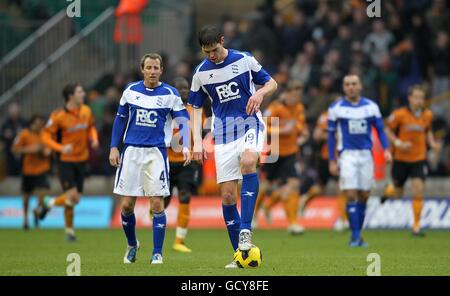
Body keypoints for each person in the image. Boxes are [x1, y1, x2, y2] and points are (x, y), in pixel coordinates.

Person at [188, 25, 277, 268]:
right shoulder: (200, 73)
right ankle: (240, 255)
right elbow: (195, 108)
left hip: (250, 124)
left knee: (249, 162)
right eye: (206, 52)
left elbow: (272, 83)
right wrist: (196, 140)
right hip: (223, 135)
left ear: (222, 41)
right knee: (228, 196)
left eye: (214, 50)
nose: (211, 56)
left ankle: (246, 230)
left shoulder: (244, 59)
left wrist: (260, 95)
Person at [109, 53, 191, 264]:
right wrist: (113, 148)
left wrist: (188, 145)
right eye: (149, 67)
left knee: (157, 204)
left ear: (161, 70)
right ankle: (132, 244)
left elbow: (183, 118)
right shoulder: (131, 91)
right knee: (127, 205)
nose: (153, 71)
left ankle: (157, 253)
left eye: (156, 68)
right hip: (131, 152)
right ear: (142, 69)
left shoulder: (170, 94)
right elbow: (120, 120)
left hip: (156, 153)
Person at [328, 74, 392, 247]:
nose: (351, 87)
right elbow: (331, 137)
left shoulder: (371, 107)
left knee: (364, 195)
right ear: (343, 87)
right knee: (350, 193)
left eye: (354, 83)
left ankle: (358, 234)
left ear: (360, 86)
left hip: (366, 155)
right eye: (347, 84)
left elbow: (380, 130)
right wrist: (332, 160)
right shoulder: (336, 108)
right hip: (347, 155)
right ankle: (355, 236)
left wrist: (386, 150)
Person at [37, 83, 99, 242]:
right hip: (65, 161)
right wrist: (61, 148)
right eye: (80, 91)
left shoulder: (86, 110)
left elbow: (91, 127)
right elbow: (45, 136)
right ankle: (48, 203)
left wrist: (94, 139)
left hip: (82, 159)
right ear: (70, 96)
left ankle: (69, 231)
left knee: (73, 199)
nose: (83, 94)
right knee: (73, 196)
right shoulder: (58, 116)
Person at [385, 85, 442, 236]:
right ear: (410, 98)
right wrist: (398, 143)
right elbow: (388, 130)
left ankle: (416, 226)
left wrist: (432, 143)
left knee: (418, 190)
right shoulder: (399, 114)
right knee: (397, 193)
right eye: (416, 97)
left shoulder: (427, 115)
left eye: (421, 98)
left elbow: (427, 131)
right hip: (401, 159)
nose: (419, 101)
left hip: (418, 159)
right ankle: (388, 191)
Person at [256, 80, 309, 235]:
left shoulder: (299, 107)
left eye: (299, 96)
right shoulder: (275, 107)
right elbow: (263, 126)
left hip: (290, 153)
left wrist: (302, 134)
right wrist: (281, 130)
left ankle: (293, 223)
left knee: (293, 185)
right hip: (274, 152)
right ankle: (253, 216)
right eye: (295, 95)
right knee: (264, 186)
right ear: (287, 94)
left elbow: (300, 125)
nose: (297, 99)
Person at [165, 77, 202, 253]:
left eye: (186, 88)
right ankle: (155, 209)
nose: (184, 91)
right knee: (162, 201)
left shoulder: (194, 112)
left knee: (185, 196)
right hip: (166, 161)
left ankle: (179, 240)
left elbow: (199, 135)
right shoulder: (164, 111)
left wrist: (199, 149)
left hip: (187, 162)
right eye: (179, 88)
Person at [299, 108, 349, 232]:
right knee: (321, 188)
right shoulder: (325, 117)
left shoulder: (349, 116)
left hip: (343, 157)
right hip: (326, 158)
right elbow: (316, 135)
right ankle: (305, 199)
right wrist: (332, 135)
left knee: (342, 188)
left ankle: (343, 220)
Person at [12, 115, 51, 230]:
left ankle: (37, 210)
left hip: (42, 169)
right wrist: (32, 149)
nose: (40, 126)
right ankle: (25, 220)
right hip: (28, 170)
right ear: (32, 123)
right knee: (26, 197)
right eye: (38, 123)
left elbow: (48, 150)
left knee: (45, 193)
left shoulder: (45, 134)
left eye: (41, 123)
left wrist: (45, 151)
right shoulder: (24, 134)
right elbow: (14, 149)